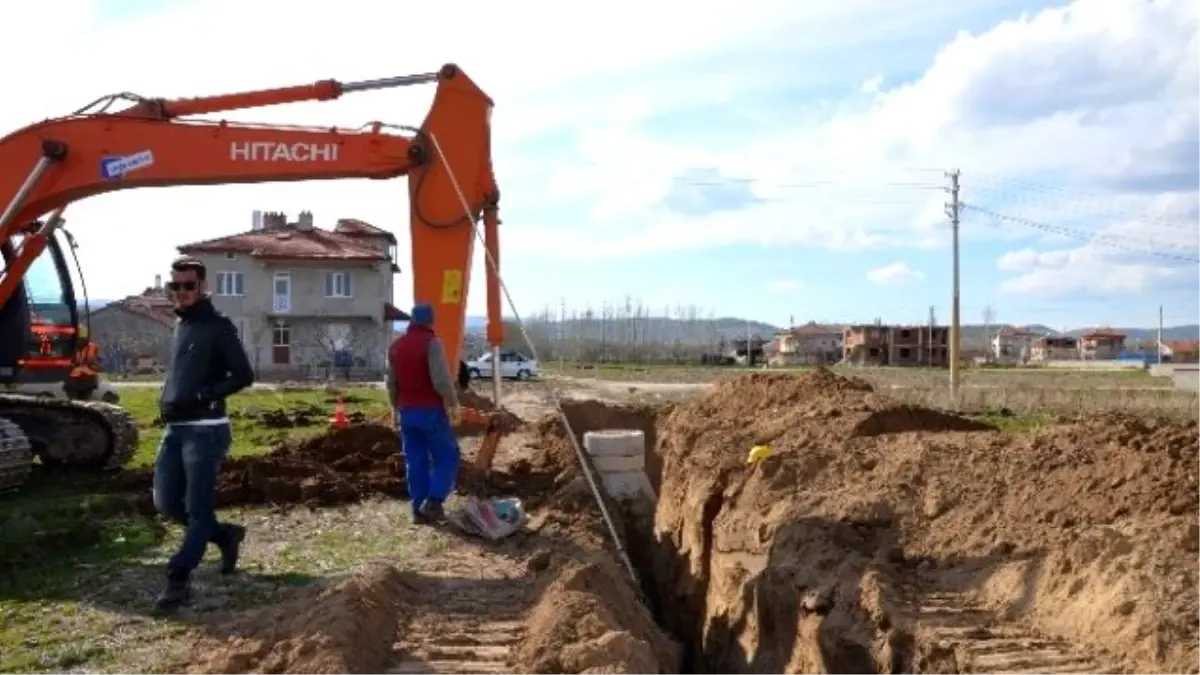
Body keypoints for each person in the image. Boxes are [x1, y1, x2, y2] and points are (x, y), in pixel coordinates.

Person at [152, 257, 255, 614]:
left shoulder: (218, 326)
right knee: (166, 502)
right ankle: (225, 536)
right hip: (175, 428)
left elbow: (243, 374)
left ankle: (177, 579)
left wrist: (205, 395)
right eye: (175, 286)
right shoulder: (181, 326)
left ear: (203, 287)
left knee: (197, 509)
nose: (181, 293)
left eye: (188, 286)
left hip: (206, 431)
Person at [387, 302, 462, 524]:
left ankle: (418, 509)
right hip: (429, 410)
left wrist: (394, 408)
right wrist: (453, 403)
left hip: (406, 412)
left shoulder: (396, 347)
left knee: (415, 460)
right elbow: (440, 380)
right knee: (447, 455)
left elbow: (391, 383)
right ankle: (435, 501)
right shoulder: (431, 344)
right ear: (431, 321)